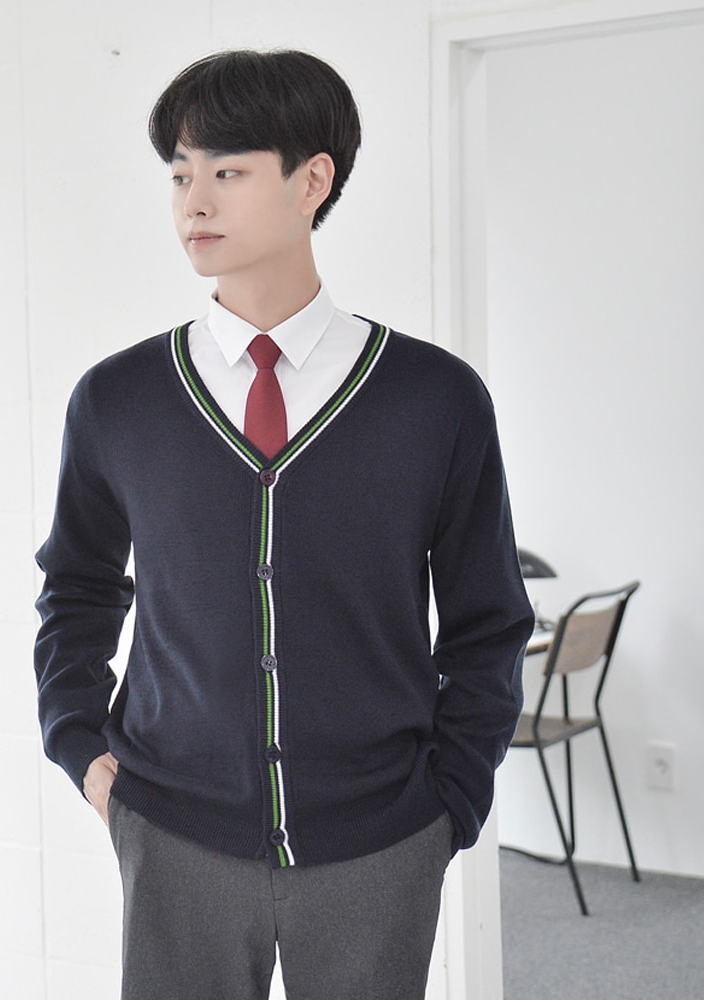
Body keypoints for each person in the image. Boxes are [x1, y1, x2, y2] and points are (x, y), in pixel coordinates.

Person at [34, 48, 534, 1000]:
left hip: (381, 842)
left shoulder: (435, 399)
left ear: (313, 181)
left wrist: (451, 802)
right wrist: (81, 748)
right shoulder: (118, 399)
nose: (194, 202)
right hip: (171, 832)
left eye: (227, 171)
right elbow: (78, 587)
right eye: (179, 174)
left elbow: (488, 621)